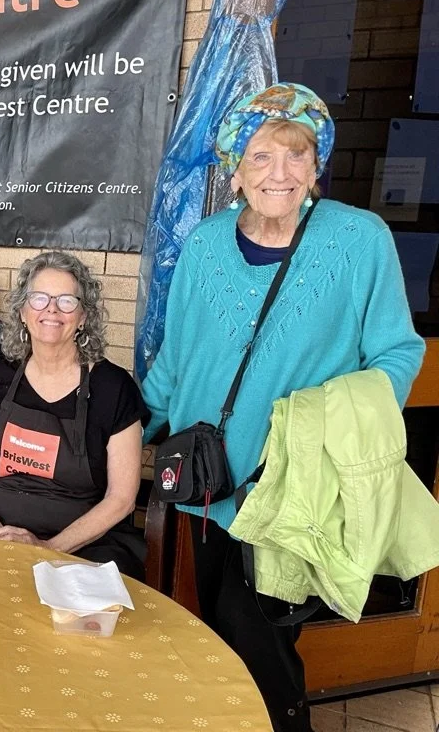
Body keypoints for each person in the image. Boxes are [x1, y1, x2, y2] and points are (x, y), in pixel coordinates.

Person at [141, 83, 425, 732]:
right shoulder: (207, 243)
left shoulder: (358, 240)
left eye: (296, 156)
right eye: (262, 156)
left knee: (262, 642)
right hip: (207, 485)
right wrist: (132, 426)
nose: (280, 173)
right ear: (234, 170)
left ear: (317, 167)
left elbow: (396, 354)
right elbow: (177, 361)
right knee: (217, 627)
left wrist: (334, 432)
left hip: (294, 490)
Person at [0, 251, 147, 581]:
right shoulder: (1, 372)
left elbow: (121, 499)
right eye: (39, 298)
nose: (52, 310)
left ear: (84, 315)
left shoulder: (114, 388)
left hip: (84, 546)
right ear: (23, 312)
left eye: (66, 301)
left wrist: (48, 548)